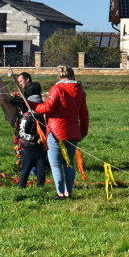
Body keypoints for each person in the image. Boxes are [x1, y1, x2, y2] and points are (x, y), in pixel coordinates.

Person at [34, 65, 90, 199]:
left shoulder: (57, 88)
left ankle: (60, 193)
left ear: (59, 77)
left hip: (56, 131)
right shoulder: (80, 91)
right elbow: (84, 114)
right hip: (73, 131)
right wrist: (83, 131)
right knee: (69, 162)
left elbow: (47, 108)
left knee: (55, 163)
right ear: (73, 76)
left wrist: (33, 106)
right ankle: (68, 192)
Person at [17, 94, 49, 188]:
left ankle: (40, 189)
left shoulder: (43, 117)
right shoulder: (26, 117)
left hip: (40, 149)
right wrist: (35, 139)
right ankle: (21, 188)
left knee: (41, 170)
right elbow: (22, 133)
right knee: (25, 170)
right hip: (28, 148)